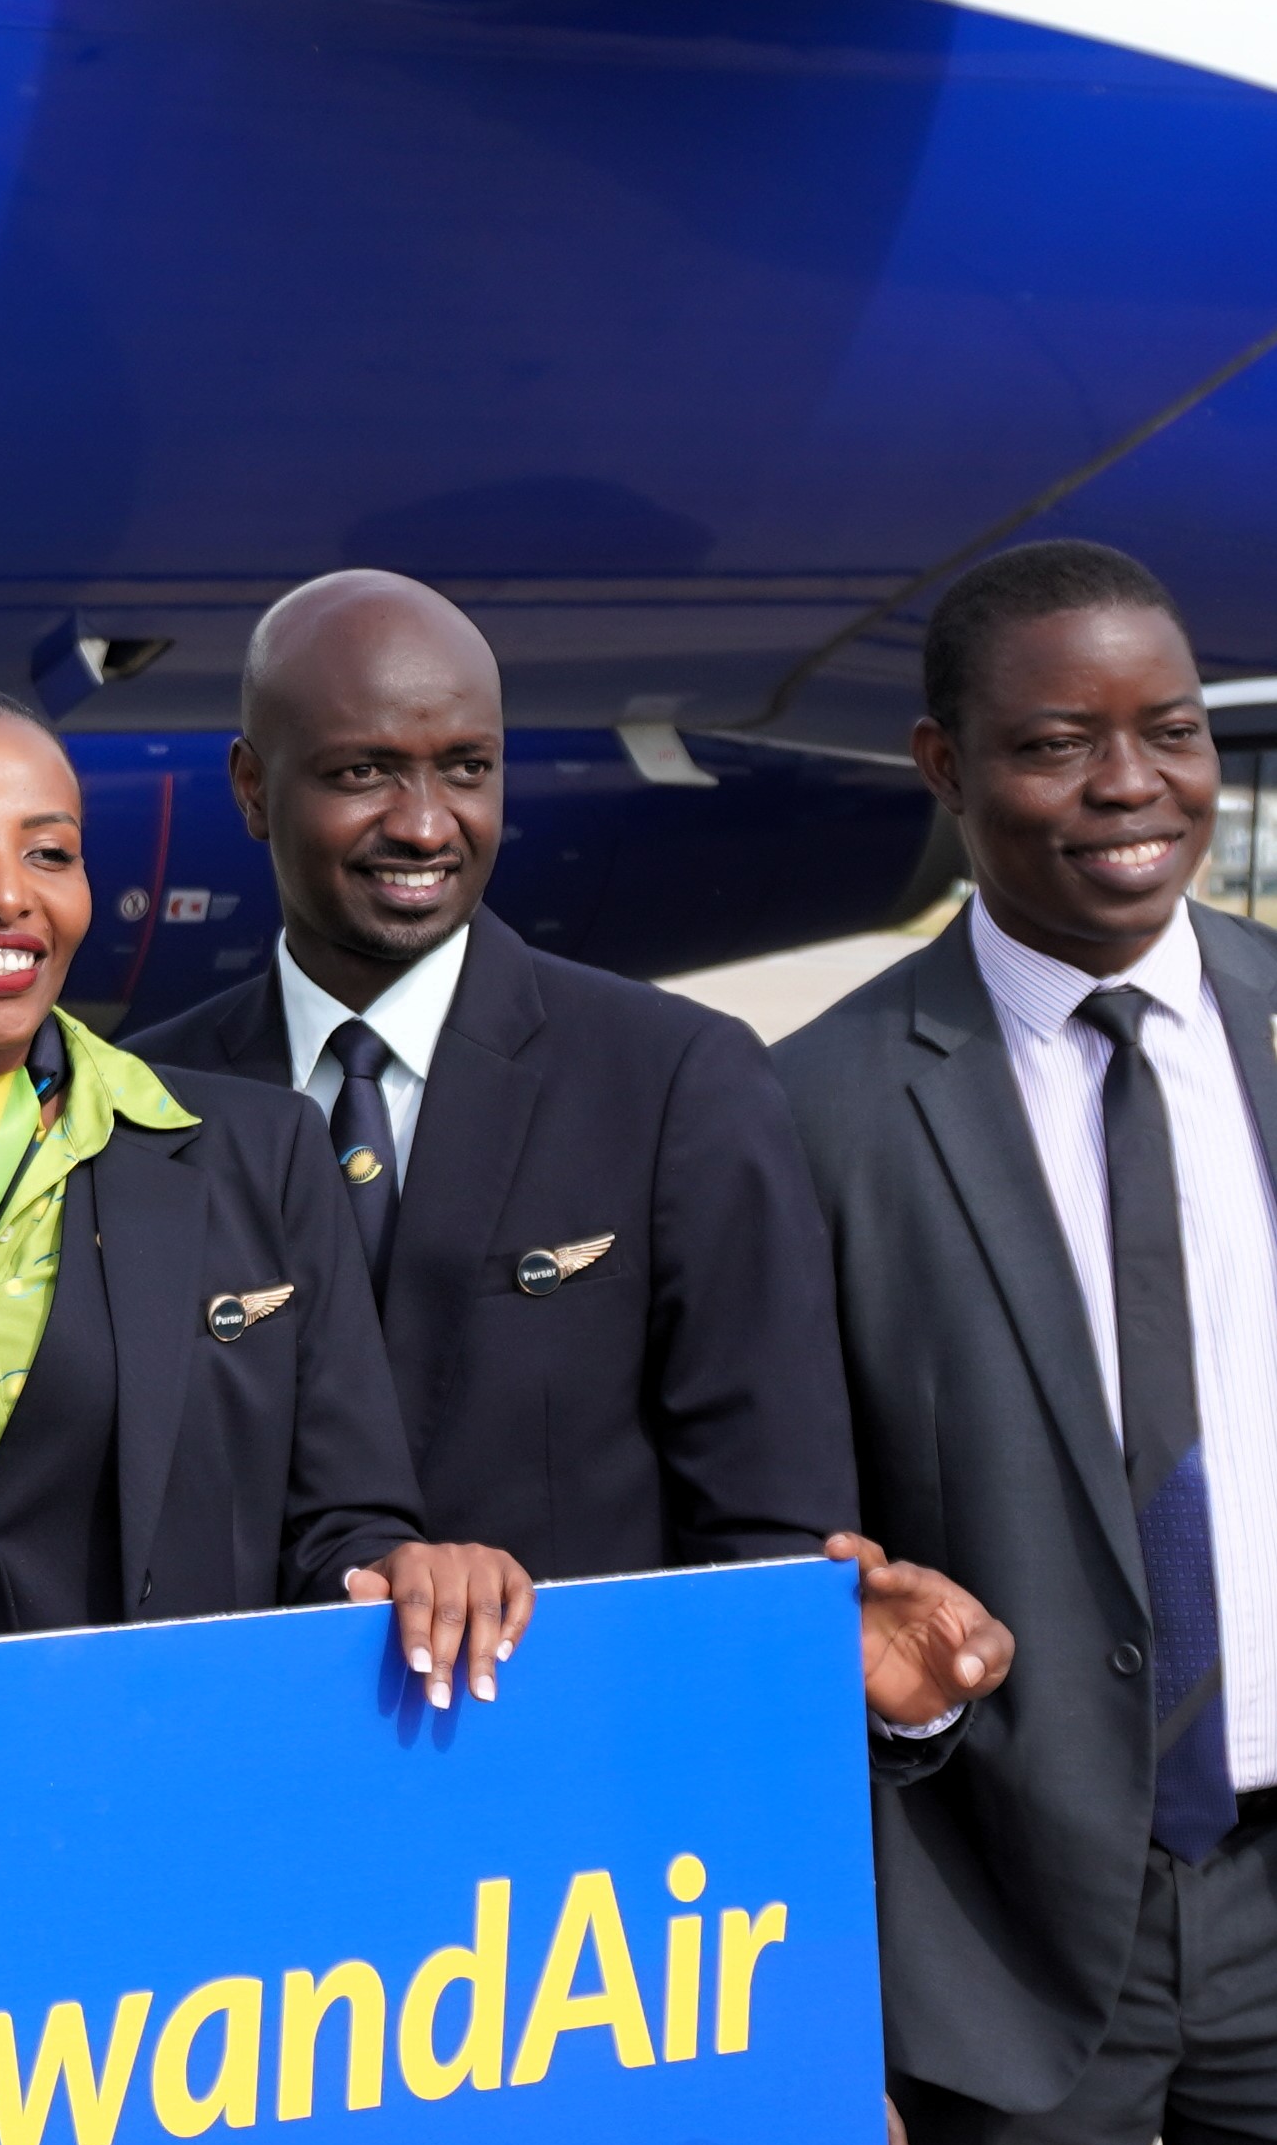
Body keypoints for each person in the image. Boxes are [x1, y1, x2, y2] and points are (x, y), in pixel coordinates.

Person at [778, 537, 1277, 2145]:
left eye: (1160, 726)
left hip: (1273, 1877)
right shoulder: (812, 1109)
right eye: (1053, 739)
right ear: (940, 772)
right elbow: (777, 1554)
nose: (1121, 784)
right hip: (984, 1933)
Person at [0, 660, 526, 1674]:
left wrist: (411, 1570)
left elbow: (343, 1525)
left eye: (50, 852)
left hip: (172, 1784)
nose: (8, 895)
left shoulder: (258, 1152)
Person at [133, 569, 869, 1575]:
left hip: (573, 1725)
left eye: (467, 768)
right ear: (253, 788)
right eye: (363, 773)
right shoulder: (139, 1105)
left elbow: (774, 1539)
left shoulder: (672, 1082)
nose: (427, 825)